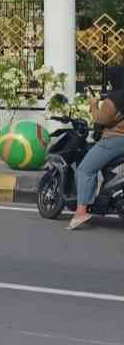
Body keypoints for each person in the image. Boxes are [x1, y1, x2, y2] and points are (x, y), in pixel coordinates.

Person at [69, 64, 124, 229]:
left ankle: (81, 211)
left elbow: (101, 120)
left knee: (85, 169)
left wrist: (93, 104)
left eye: (110, 82)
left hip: (114, 140)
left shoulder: (115, 99)